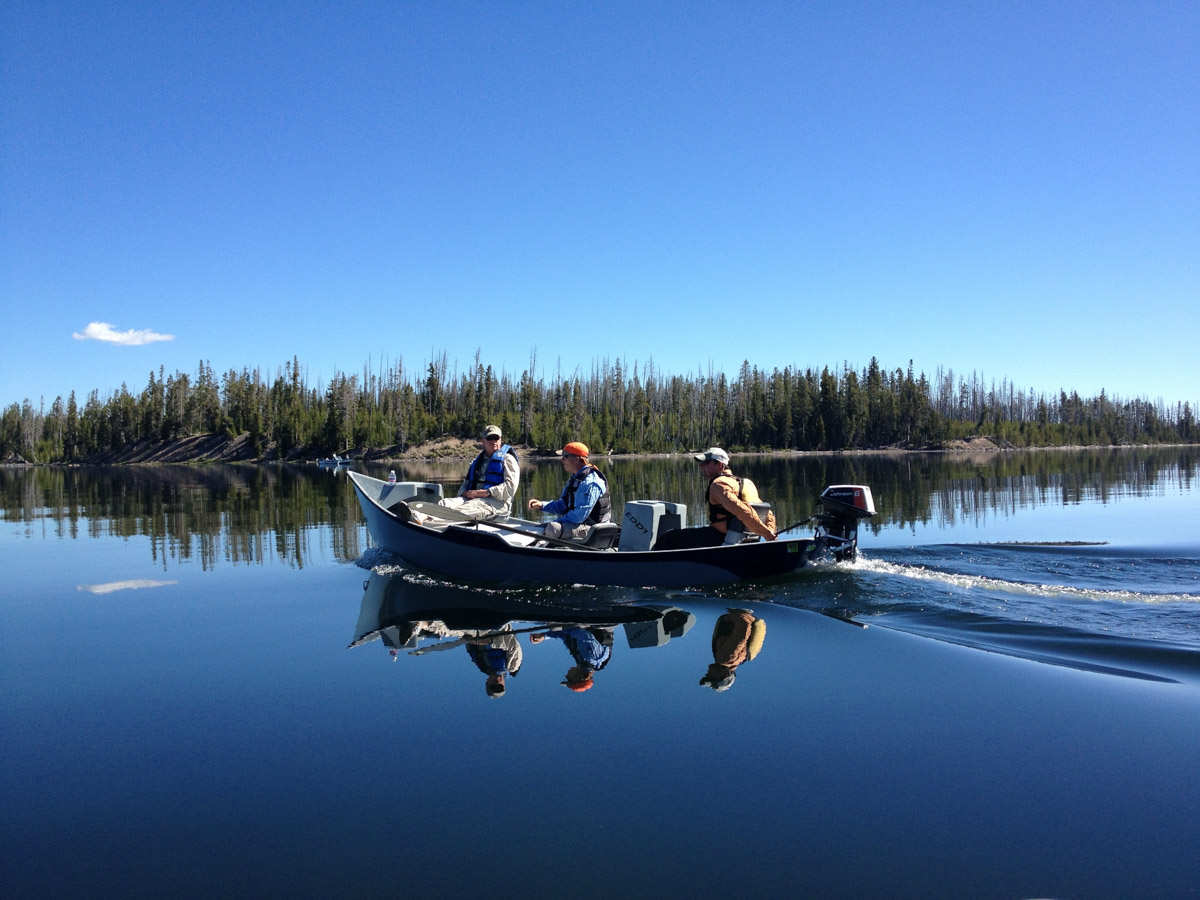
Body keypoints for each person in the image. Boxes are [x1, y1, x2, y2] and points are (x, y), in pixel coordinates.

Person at [653, 447, 777, 550]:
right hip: (746, 537)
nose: (701, 466)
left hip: (719, 536)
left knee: (669, 537)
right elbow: (768, 513)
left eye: (706, 463)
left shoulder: (719, 484)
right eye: (701, 463)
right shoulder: (746, 483)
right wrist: (770, 532)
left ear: (719, 465)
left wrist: (766, 533)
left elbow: (741, 509)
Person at [526, 441, 611, 541]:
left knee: (553, 528)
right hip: (581, 525)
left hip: (595, 530)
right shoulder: (575, 478)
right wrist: (542, 505)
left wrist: (557, 521)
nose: (562, 460)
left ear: (576, 459)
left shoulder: (590, 483)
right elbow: (564, 505)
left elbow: (579, 516)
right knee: (537, 529)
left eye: (564, 457)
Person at [440, 425, 520, 521]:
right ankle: (425, 520)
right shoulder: (476, 462)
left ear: (500, 440)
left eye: (496, 438)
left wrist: (487, 492)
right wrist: (464, 493)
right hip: (474, 500)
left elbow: (510, 488)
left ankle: (434, 524)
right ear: (483, 441)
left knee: (465, 509)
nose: (493, 441)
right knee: (444, 504)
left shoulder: (508, 459)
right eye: (490, 438)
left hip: (498, 503)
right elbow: (464, 485)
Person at [529, 625, 615, 692]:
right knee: (556, 626)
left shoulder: (580, 658)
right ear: (580, 678)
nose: (566, 676)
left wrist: (544, 636)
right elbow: (581, 634)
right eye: (569, 679)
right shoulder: (592, 658)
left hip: (586, 622)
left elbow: (565, 636)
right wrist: (563, 627)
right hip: (597, 619)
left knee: (556, 626)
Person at [699, 608, 766, 692]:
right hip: (740, 610)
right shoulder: (725, 658)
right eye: (711, 677)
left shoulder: (736, 661)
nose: (707, 673)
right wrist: (737, 613)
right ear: (725, 675)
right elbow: (741, 634)